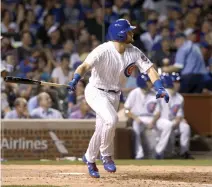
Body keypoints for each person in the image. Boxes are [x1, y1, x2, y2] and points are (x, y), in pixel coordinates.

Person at [68, 19, 169, 178]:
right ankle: (106, 155)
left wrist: (159, 87)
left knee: (102, 128)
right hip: (96, 91)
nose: (132, 33)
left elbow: (150, 70)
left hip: (114, 94)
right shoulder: (103, 50)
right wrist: (75, 78)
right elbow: (84, 66)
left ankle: (89, 158)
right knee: (112, 119)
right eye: (129, 31)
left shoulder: (134, 51)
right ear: (121, 34)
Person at [124, 73, 172, 159]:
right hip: (139, 118)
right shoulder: (134, 93)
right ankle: (139, 154)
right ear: (143, 82)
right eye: (148, 81)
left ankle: (158, 151)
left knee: (168, 125)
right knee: (136, 125)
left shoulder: (154, 93)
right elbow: (126, 110)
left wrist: (153, 122)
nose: (151, 83)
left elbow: (158, 112)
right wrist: (135, 117)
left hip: (152, 118)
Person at [160, 73, 193, 159]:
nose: (178, 84)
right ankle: (165, 153)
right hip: (162, 122)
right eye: (175, 82)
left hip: (174, 122)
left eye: (178, 82)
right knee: (168, 125)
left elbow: (179, 113)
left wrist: (180, 119)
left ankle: (184, 151)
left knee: (185, 127)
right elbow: (164, 114)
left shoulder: (179, 97)